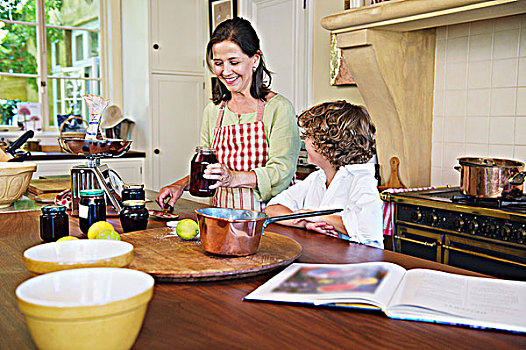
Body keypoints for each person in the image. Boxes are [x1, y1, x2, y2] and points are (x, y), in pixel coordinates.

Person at [156, 17, 300, 211]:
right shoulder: (214, 111)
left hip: (268, 217)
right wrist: (180, 185)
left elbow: (281, 172)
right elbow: (206, 167)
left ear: (255, 59)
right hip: (222, 215)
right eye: (218, 63)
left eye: (234, 62)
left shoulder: (278, 109)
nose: (226, 71)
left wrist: (232, 177)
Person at [265, 100, 383, 249]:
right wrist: (306, 223)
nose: (305, 142)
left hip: (359, 264)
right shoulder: (317, 178)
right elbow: (272, 209)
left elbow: (367, 230)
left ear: (327, 145)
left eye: (309, 137)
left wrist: (316, 216)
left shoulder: (361, 180)